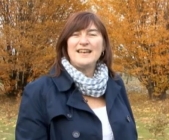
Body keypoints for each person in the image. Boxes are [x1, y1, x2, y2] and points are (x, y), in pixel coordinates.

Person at [15, 11, 138, 140]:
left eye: (92, 34)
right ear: (65, 44)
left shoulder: (115, 84)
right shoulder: (39, 91)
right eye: (75, 34)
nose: (84, 41)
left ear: (104, 45)